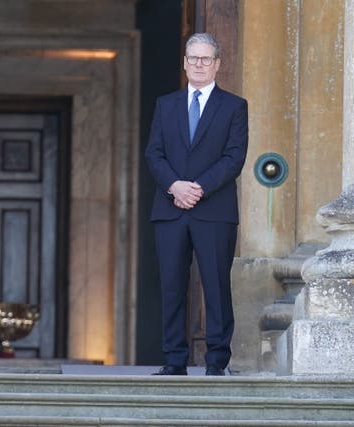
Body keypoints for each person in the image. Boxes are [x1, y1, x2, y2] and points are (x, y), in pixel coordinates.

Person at [145, 32, 248, 376]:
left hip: (214, 211)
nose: (199, 65)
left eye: (205, 59)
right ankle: (175, 360)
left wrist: (198, 188)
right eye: (193, 59)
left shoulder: (234, 106)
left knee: (216, 286)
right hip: (170, 208)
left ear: (217, 64)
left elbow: (233, 159)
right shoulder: (166, 104)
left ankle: (216, 362)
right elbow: (154, 154)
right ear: (185, 63)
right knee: (172, 286)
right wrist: (175, 185)